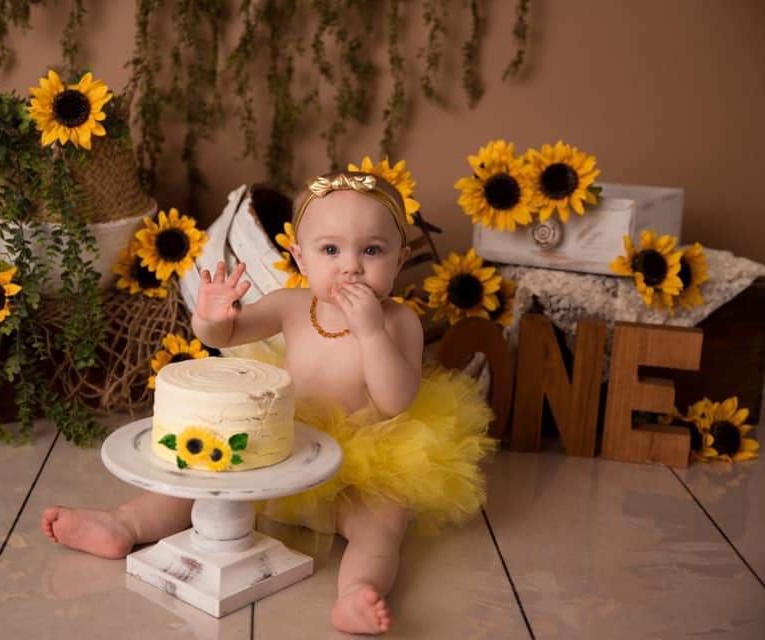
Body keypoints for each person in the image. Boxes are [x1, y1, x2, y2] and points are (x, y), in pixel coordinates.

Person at [42, 171, 496, 635]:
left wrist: (371, 332)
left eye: (372, 251)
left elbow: (396, 400)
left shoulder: (399, 321)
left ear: (399, 260)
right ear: (299, 257)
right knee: (198, 483)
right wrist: (210, 318)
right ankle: (124, 526)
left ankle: (357, 591)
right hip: (282, 448)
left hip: (361, 466)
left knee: (381, 526)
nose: (351, 267)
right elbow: (229, 335)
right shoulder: (291, 306)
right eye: (331, 250)